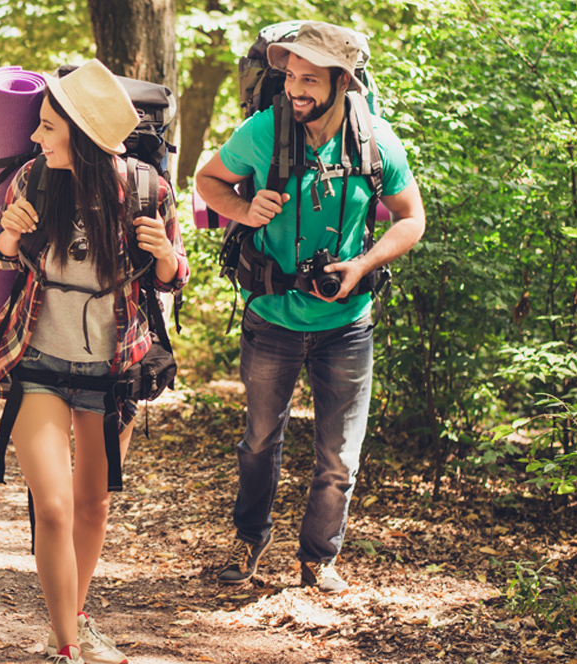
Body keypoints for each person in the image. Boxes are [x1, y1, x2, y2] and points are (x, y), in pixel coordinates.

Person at [194, 21, 427, 594]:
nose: (294, 89)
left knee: (338, 459)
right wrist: (244, 210)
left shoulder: (374, 140)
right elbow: (208, 182)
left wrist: (363, 265)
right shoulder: (266, 129)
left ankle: (318, 559)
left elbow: (412, 218)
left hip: (346, 325)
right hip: (271, 316)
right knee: (258, 442)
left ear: (342, 82)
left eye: (308, 80)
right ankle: (250, 540)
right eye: (289, 75)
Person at [0, 61, 188, 664]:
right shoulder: (32, 180)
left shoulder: (148, 189)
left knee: (93, 502)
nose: (38, 138)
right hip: (38, 360)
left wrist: (168, 260)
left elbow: (173, 276)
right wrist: (7, 239)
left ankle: (70, 616)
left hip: (112, 371)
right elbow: (4, 257)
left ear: (84, 133)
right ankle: (69, 647)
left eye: (48, 128)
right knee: (53, 504)